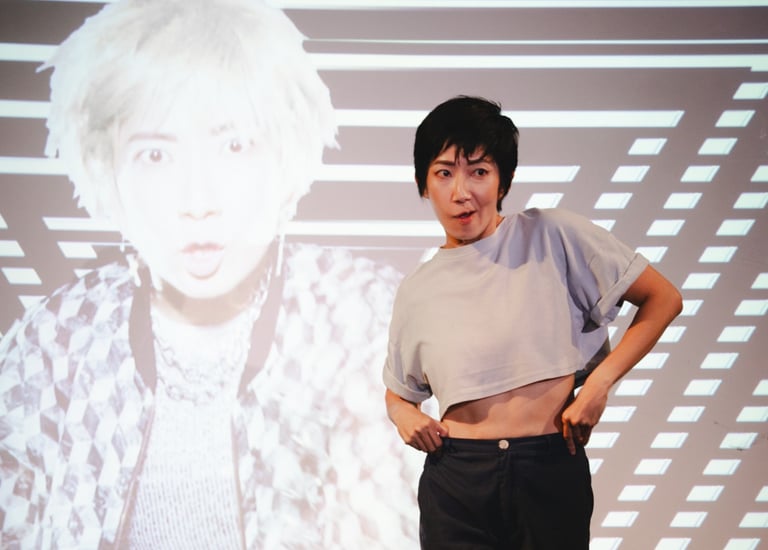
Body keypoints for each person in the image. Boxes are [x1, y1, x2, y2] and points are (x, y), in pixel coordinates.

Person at [0, 1, 417, 548]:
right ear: (107, 169)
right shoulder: (56, 343)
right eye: (154, 155)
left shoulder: (360, 322)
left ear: (285, 155)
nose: (197, 200)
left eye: (234, 145)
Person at [382, 95, 683, 549]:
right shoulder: (417, 289)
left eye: (479, 172)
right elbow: (399, 391)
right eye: (444, 173)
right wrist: (402, 413)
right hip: (456, 480)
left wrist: (598, 385)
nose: (461, 192)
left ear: (503, 181)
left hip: (547, 469)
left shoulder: (551, 235)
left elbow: (663, 298)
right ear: (424, 184)